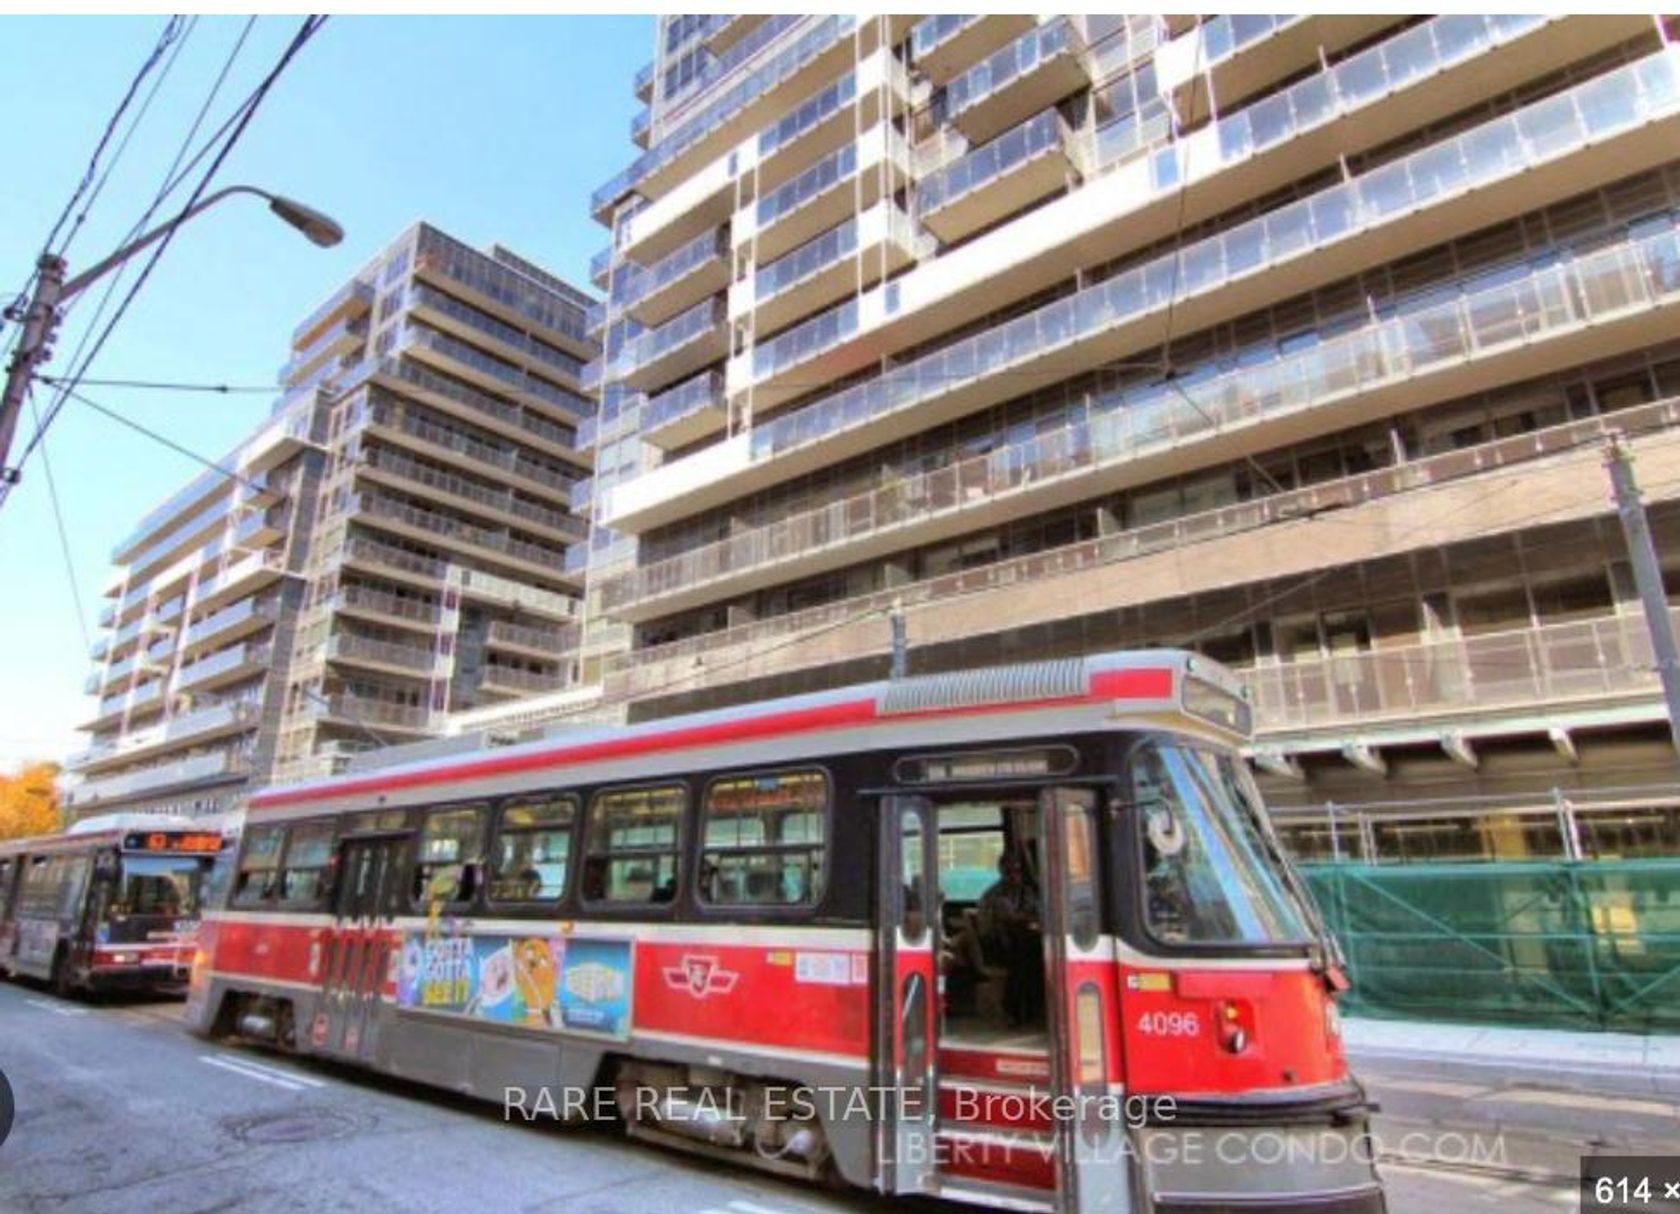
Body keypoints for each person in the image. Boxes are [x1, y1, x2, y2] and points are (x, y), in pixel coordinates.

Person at [977, 852, 1043, 1027]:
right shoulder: (994, 895)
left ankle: (1029, 1008)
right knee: (1023, 961)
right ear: (1002, 872)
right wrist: (1025, 917)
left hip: (1017, 942)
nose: (1014, 875)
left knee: (1032, 955)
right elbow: (1009, 918)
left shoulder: (1025, 891)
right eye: (1010, 871)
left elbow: (1037, 913)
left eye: (1017, 871)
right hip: (995, 945)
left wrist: (1027, 917)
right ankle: (1014, 1010)